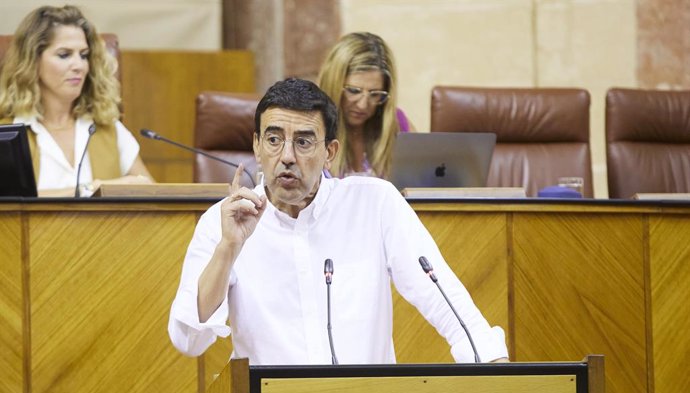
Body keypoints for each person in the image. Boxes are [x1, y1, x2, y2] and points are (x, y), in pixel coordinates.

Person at [168, 77, 508, 365]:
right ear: (257, 146)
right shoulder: (222, 222)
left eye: (303, 142)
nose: (286, 156)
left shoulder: (374, 203)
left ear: (329, 152)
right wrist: (229, 248)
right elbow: (190, 341)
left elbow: (439, 292)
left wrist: (492, 362)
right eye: (273, 140)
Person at [0, 5, 153, 197]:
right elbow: (9, 206)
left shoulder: (107, 128)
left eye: (84, 55)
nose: (79, 65)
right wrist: (91, 188)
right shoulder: (7, 135)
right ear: (33, 61)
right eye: (64, 55)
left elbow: (152, 196)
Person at [317, 32, 415, 179]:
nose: (363, 105)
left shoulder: (396, 125)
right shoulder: (311, 126)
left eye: (375, 94)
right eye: (353, 91)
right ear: (333, 84)